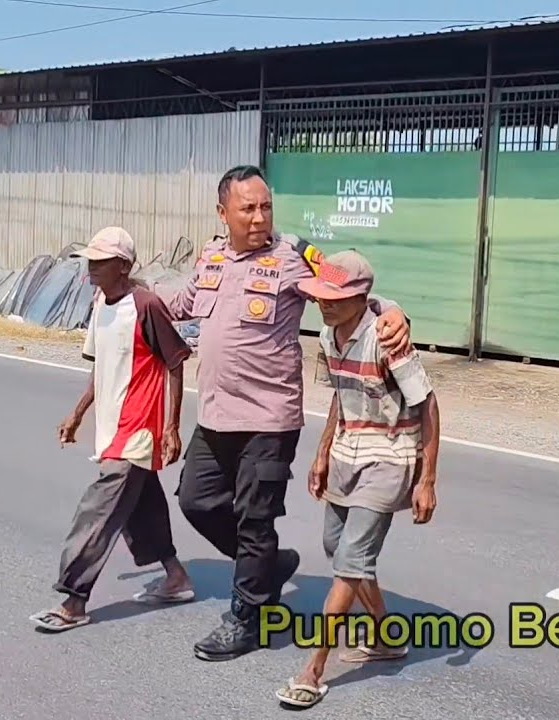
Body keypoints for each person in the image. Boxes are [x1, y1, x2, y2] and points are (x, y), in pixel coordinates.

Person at [158, 165, 414, 661]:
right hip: (215, 414)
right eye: (248, 209)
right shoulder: (211, 256)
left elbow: (352, 286)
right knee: (197, 501)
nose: (259, 218)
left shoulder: (294, 257)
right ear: (223, 213)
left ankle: (247, 619)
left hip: (269, 419)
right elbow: (182, 302)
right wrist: (136, 299)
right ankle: (269, 567)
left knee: (254, 520)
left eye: (266, 207)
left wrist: (392, 310)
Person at [274, 249, 440, 709]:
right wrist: (322, 453)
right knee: (338, 548)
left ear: (361, 297)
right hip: (347, 454)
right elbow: (339, 396)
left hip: (390, 459)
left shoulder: (387, 338)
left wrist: (427, 479)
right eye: (321, 298)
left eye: (334, 298)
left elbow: (428, 404)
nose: (324, 305)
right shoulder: (328, 337)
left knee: (350, 560)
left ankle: (313, 669)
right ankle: (386, 637)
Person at [30, 226, 196, 632]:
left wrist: (171, 426)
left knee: (98, 509)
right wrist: (77, 414)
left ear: (123, 266)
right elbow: (100, 365)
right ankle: (175, 576)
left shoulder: (146, 305)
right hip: (112, 427)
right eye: (90, 260)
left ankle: (73, 600)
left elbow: (175, 361)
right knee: (141, 505)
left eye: (100, 261)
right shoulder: (100, 302)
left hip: (138, 430)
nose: (91, 267)